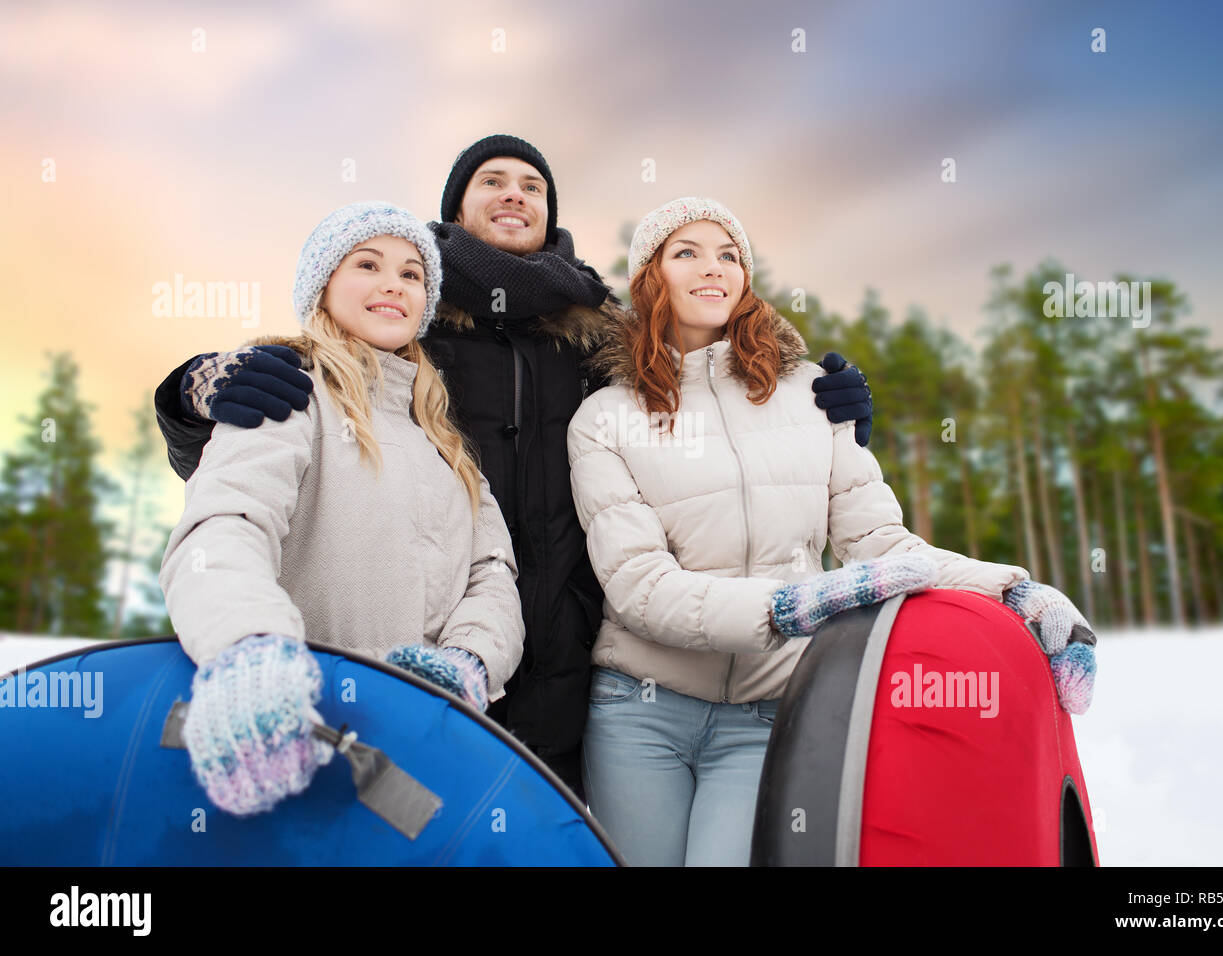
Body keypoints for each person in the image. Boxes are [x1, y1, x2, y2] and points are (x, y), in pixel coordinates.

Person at [150, 135, 873, 801]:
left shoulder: (599, 334)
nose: (514, 194)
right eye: (491, 180)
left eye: (532, 185)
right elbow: (241, 494)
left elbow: (700, 374)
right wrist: (192, 394)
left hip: (569, 651)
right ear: (454, 210)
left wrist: (808, 394)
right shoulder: (407, 326)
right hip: (404, 653)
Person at [567, 197, 1097, 866]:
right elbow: (639, 585)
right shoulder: (603, 418)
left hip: (767, 713)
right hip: (638, 713)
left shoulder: (812, 396)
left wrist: (1013, 592)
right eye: (687, 252)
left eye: (729, 254)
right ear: (651, 277)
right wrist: (785, 607)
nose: (714, 268)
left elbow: (881, 546)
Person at [159, 201, 525, 816]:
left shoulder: (448, 446)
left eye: (412, 274)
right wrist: (247, 648)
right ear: (323, 287)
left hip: (408, 758)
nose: (393, 284)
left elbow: (493, 575)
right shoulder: (286, 392)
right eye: (368, 264)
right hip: (287, 730)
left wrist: (467, 662)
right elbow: (224, 526)